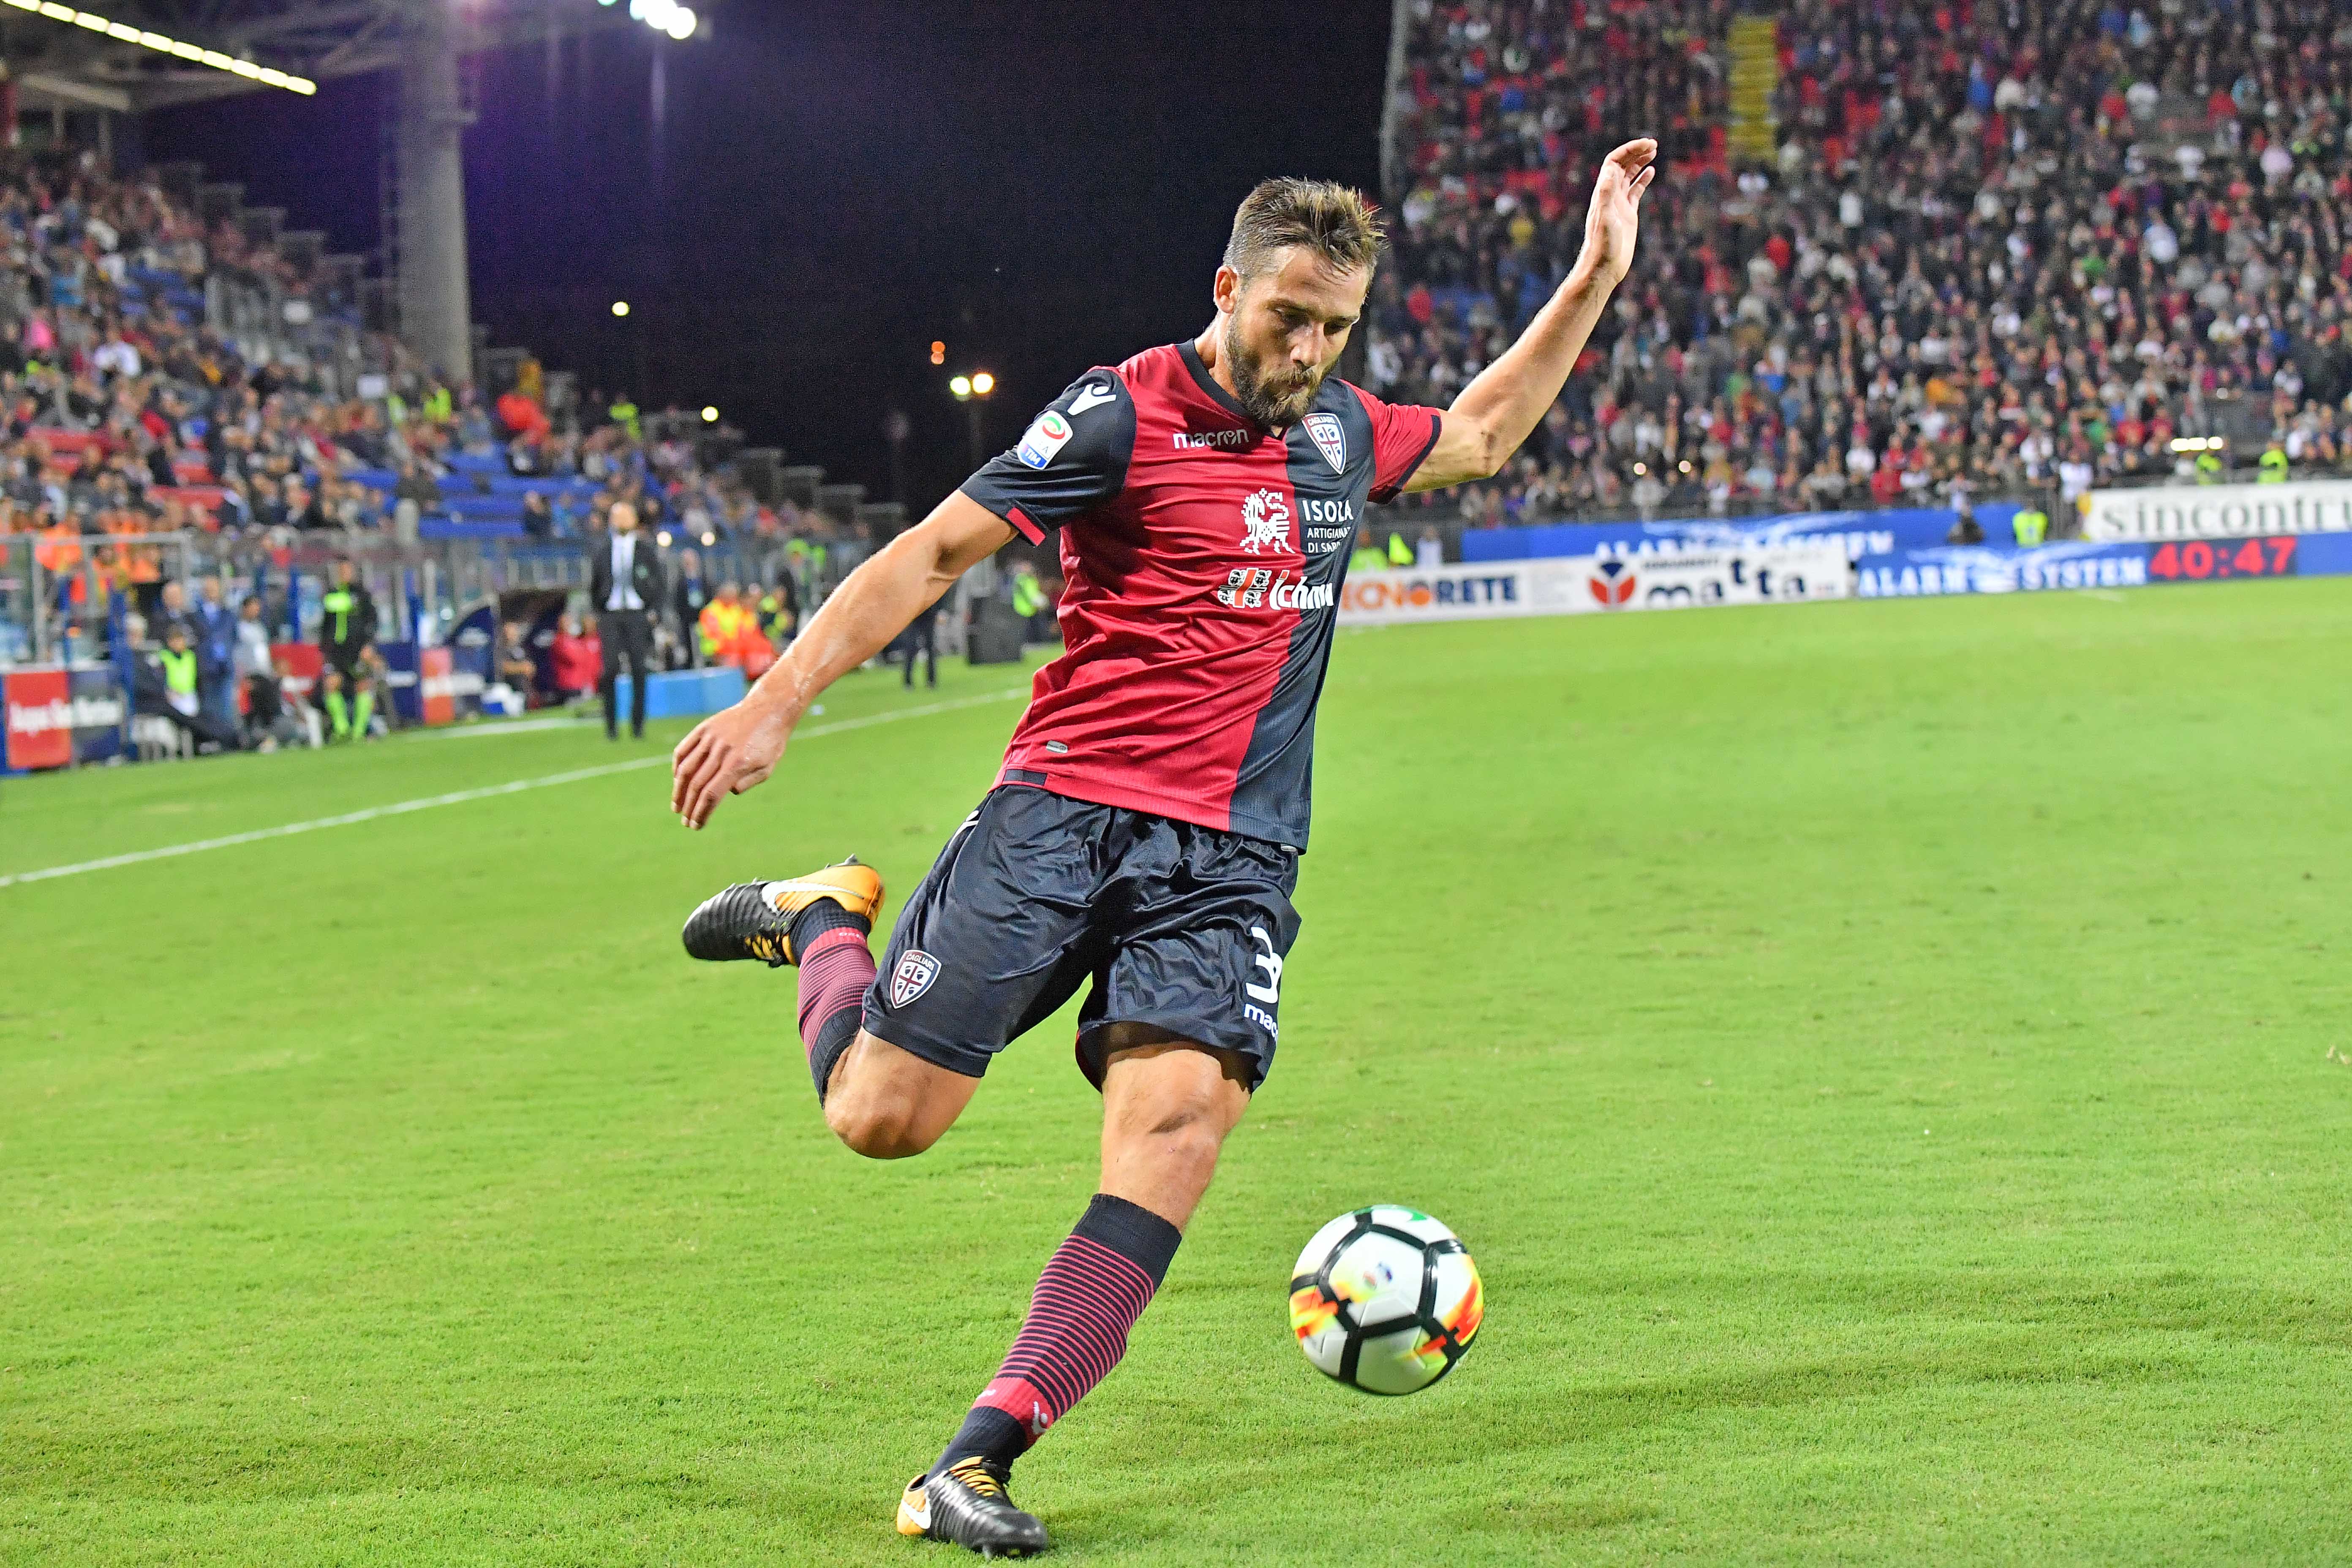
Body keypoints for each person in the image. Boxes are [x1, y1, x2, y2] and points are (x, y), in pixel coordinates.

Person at [669, 143, 1655, 1555]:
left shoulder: (1337, 438)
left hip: (1233, 860)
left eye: (1332, 327)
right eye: (1285, 318)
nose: (1306, 348)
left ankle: (975, 1460)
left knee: (1178, 1129)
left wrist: (1593, 276)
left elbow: (1483, 433)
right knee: (880, 1123)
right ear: (1227, 290)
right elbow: (934, 554)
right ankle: (826, 921)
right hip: (1061, 817)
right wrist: (774, 704)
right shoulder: (1117, 415)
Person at [590, 498, 663, 739]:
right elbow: (595, 585)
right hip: (611, 614)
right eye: (617, 516)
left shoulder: (645, 550)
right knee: (609, 669)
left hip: (636, 614)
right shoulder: (602, 551)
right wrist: (598, 612)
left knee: (639, 669)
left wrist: (654, 610)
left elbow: (659, 582)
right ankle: (611, 725)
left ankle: (637, 725)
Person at [318, 558, 379, 741]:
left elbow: (373, 622)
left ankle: (359, 732)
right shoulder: (332, 595)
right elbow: (327, 624)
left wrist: (368, 645)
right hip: (337, 652)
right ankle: (342, 728)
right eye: (341, 570)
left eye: (346, 570)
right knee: (331, 685)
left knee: (362, 687)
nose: (344, 573)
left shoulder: (362, 595)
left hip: (357, 650)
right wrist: (324, 648)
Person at [191, 576, 239, 735]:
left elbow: (234, 639)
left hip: (225, 667)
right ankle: (211, 738)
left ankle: (228, 738)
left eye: (214, 589)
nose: (211, 593)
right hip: (206, 668)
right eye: (208, 589)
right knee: (208, 707)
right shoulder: (195, 616)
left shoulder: (228, 615)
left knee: (226, 706)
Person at [672, 547, 713, 667]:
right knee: (689, 643)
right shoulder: (681, 582)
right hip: (687, 618)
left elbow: (709, 596)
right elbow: (678, 600)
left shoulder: (704, 579)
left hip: (703, 617)